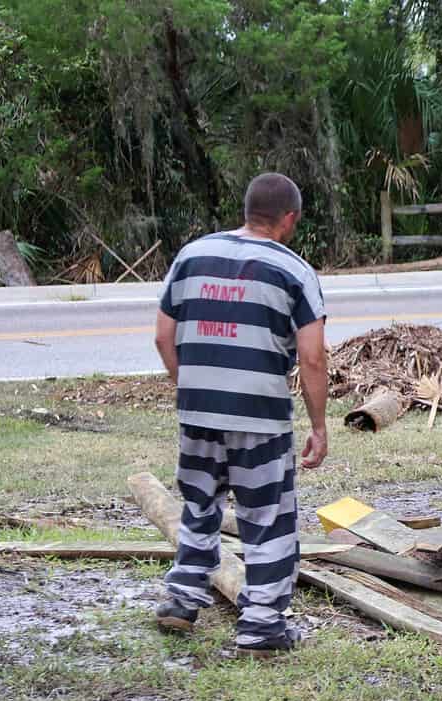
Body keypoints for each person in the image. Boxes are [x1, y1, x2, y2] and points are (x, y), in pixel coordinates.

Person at [152, 172, 330, 656]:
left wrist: (191, 387)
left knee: (199, 502)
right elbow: (312, 357)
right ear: (289, 218)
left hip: (198, 410)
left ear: (248, 210)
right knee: (267, 516)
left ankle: (181, 599)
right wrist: (318, 425)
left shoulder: (191, 256)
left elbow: (163, 338)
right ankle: (262, 627)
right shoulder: (293, 271)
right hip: (260, 416)